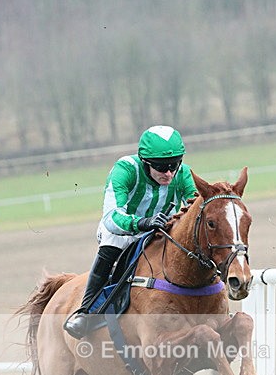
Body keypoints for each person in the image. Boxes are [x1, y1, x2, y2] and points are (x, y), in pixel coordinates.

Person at [64, 125, 197, 338]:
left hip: (162, 231)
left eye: (174, 165)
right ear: (145, 162)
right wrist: (142, 223)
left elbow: (196, 206)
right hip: (123, 231)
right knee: (111, 248)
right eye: (161, 167)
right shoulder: (125, 170)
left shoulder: (183, 174)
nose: (169, 173)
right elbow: (111, 217)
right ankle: (86, 311)